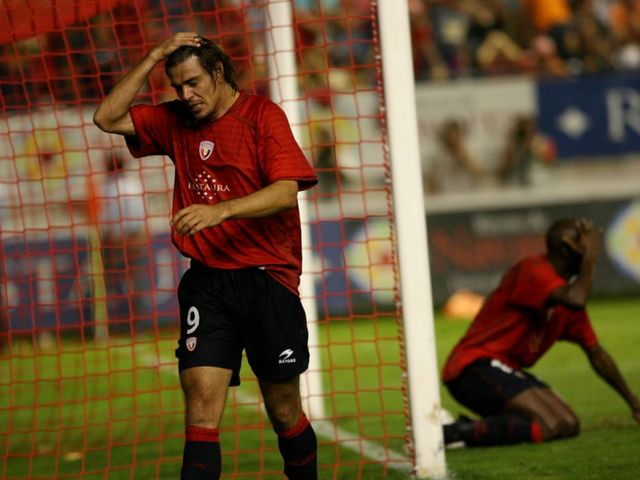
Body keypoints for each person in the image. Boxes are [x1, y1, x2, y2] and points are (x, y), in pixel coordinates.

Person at [93, 33, 319, 479]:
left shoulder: (262, 115)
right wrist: (154, 54)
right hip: (207, 283)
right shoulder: (176, 119)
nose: (185, 94)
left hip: (266, 279)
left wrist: (221, 211)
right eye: (177, 86)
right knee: (200, 406)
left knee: (283, 409)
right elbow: (106, 117)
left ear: (218, 72)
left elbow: (284, 191)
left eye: (193, 82)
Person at [441, 218, 640, 447]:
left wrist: (634, 403)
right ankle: (452, 432)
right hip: (473, 367)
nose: (592, 247)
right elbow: (577, 299)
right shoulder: (534, 271)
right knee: (549, 424)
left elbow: (597, 353)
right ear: (566, 247)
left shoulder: (565, 301)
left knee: (568, 424)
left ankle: (474, 428)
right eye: (585, 242)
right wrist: (590, 258)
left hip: (504, 370)